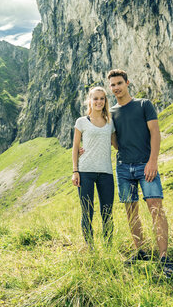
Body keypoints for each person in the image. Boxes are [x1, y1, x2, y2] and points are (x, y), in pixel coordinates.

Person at [107, 69, 173, 277]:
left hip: (145, 165)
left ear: (128, 83)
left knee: (156, 209)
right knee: (131, 212)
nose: (116, 88)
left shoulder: (143, 104)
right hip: (123, 168)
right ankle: (141, 252)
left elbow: (155, 133)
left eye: (119, 83)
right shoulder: (111, 112)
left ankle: (164, 257)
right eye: (112, 85)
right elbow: (114, 142)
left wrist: (152, 162)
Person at [72, 86, 118, 247]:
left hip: (106, 172)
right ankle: (89, 246)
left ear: (105, 101)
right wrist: (75, 171)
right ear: (90, 101)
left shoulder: (110, 123)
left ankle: (108, 247)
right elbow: (75, 147)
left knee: (107, 212)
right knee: (87, 212)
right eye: (95, 98)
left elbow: (117, 144)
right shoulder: (81, 122)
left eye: (102, 98)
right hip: (85, 172)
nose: (99, 101)